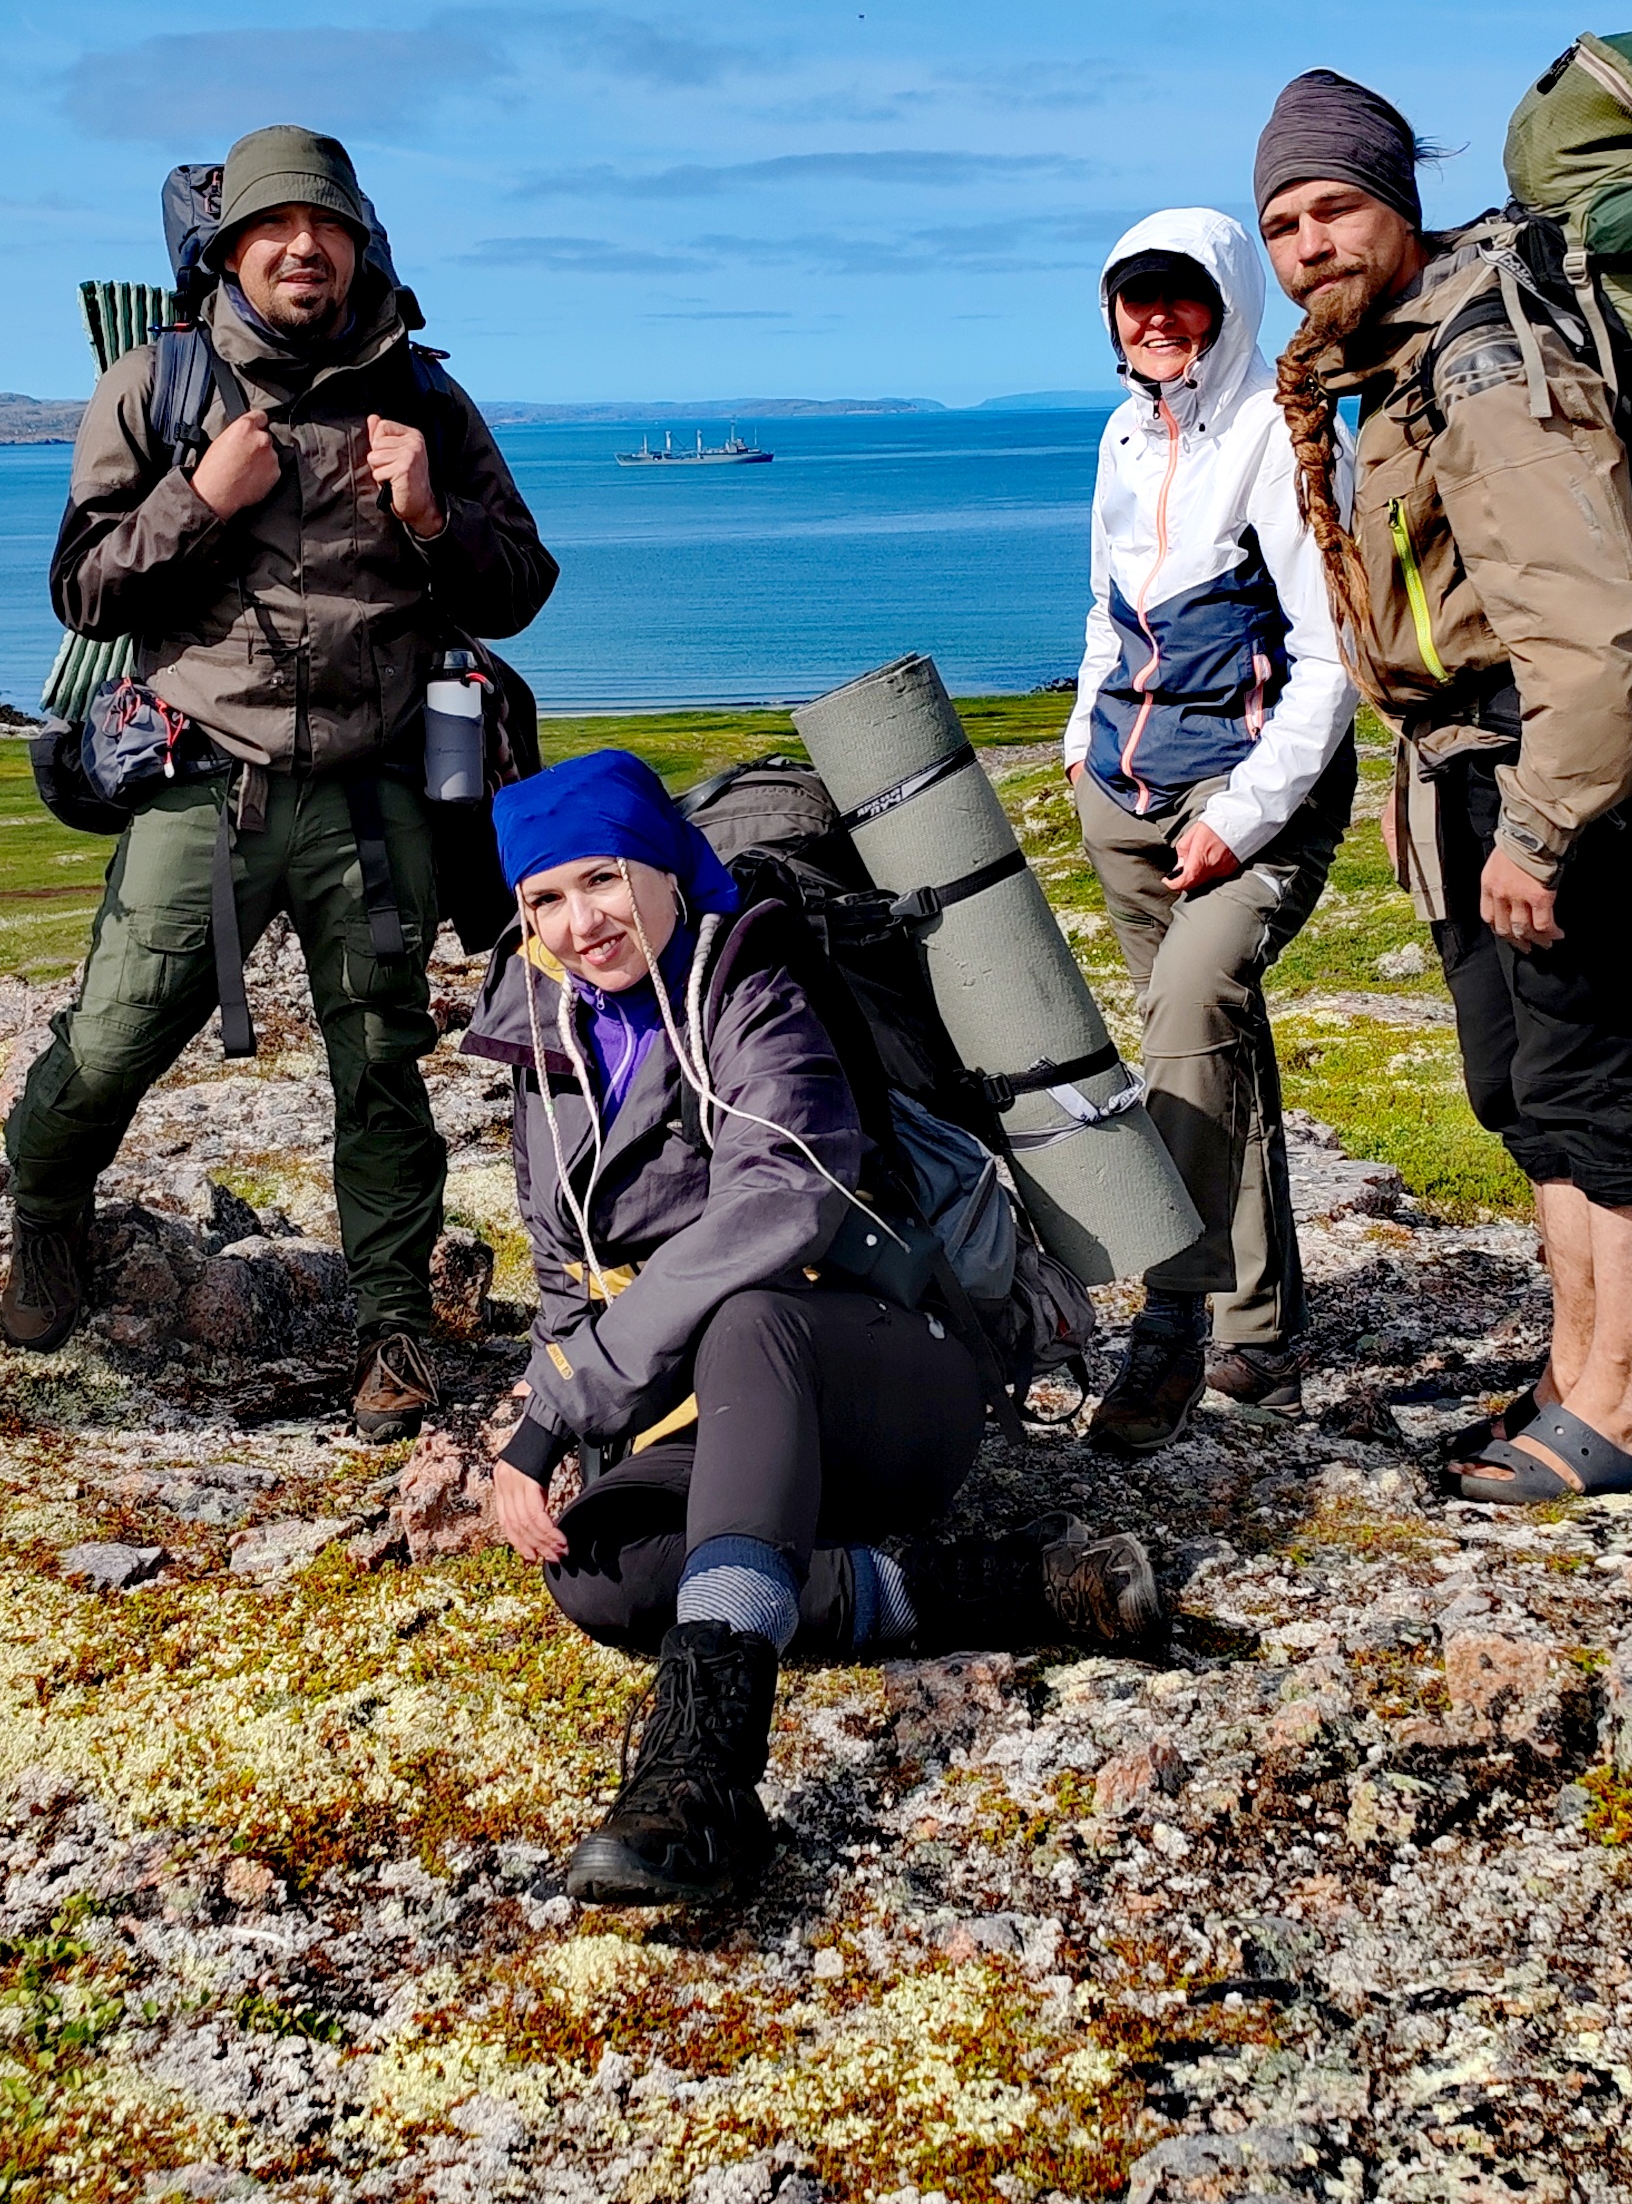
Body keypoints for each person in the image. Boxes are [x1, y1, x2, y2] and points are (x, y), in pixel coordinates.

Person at [463, 750, 1164, 1908]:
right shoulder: (548, 1035)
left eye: (602, 879)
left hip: (887, 1381)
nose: (579, 922)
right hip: (727, 1422)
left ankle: (702, 1778)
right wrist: (561, 1439)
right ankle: (995, 1586)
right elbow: (562, 1266)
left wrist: (561, 1402)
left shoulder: (750, 983)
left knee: (751, 1314)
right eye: (544, 899)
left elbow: (781, 1198)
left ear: (664, 866)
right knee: (602, 1574)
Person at [2, 127, 557, 1439]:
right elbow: (85, 590)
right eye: (274, 228)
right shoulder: (156, 388)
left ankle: (395, 1328)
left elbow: (521, 589)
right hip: (203, 787)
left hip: (377, 796)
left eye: (330, 226)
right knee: (112, 1044)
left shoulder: (423, 398)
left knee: (383, 1065)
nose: (304, 248)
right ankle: (44, 1213)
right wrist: (201, 495)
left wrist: (432, 517)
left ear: (364, 244)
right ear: (229, 249)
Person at [1254, 70, 1632, 1499]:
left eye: (1336, 207)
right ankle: (1576, 1379)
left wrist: (1546, 827)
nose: (1312, 243)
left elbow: (1592, 622)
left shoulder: (1481, 361)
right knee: (1530, 1089)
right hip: (1469, 764)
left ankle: (1624, 1416)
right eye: (1284, 223)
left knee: (1600, 1080)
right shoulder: (1400, 357)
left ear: (1401, 207)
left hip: (1540, 761)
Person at [1062, 207, 1360, 1456]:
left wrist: (1241, 819)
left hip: (1244, 794)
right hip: (1122, 797)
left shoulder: (1281, 436)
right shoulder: (1123, 434)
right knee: (1205, 1048)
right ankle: (1262, 1335)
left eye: (1181, 293)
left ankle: (1173, 1325)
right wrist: (1081, 740)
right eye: (1135, 297)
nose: (1157, 317)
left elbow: (1333, 652)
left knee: (1189, 1022)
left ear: (1227, 302)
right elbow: (1102, 603)